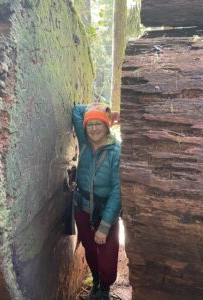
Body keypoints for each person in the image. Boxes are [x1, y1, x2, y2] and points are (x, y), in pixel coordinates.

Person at [72, 102, 121, 300]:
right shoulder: (84, 141)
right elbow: (76, 111)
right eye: (90, 124)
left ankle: (106, 287)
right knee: (90, 250)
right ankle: (97, 283)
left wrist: (106, 225)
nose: (93, 128)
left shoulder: (115, 150)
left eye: (98, 123)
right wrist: (96, 107)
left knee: (108, 257)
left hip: (104, 211)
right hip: (82, 209)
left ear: (107, 125)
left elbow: (118, 190)